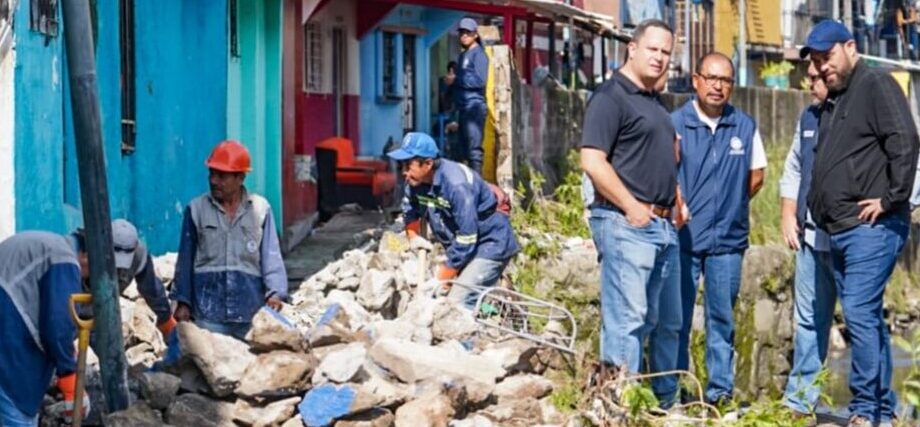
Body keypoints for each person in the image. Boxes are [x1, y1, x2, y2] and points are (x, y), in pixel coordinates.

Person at [802, 20, 919, 427]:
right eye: (816, 60)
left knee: (856, 309)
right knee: (866, 315)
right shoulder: (835, 99)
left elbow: (905, 142)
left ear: (850, 47)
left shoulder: (877, 85)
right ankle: (883, 410)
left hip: (873, 227)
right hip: (839, 228)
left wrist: (890, 199)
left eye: (827, 56)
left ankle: (866, 410)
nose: (822, 67)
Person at [579, 19, 683, 405]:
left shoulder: (652, 100)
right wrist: (632, 208)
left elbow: (655, 157)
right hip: (626, 224)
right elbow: (591, 160)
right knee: (627, 320)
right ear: (632, 49)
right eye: (653, 49)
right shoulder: (612, 96)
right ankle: (617, 406)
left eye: (666, 52)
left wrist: (675, 199)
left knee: (653, 320)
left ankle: (646, 402)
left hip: (660, 225)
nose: (659, 58)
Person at [663, 52, 767, 407]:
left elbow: (756, 177)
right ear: (696, 80)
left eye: (725, 80)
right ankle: (672, 391)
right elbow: (664, 175)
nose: (717, 86)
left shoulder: (745, 126)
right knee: (675, 318)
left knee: (721, 320)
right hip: (683, 239)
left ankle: (719, 393)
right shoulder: (674, 123)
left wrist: (729, 208)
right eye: (711, 78)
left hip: (728, 242)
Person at [387, 132, 519, 308]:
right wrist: (413, 238)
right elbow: (410, 210)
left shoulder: (457, 186)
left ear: (427, 164)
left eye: (408, 165)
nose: (404, 172)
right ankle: (494, 307)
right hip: (461, 246)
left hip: (489, 244)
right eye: (402, 165)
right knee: (450, 295)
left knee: (459, 301)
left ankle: (472, 330)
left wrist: (442, 277)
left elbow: (467, 239)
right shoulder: (415, 181)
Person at [173, 140, 288, 340]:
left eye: (222, 176)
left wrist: (276, 293)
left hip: (249, 311)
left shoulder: (260, 210)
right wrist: (183, 301)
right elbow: (185, 260)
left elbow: (271, 255)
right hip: (208, 314)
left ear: (240, 177)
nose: (214, 181)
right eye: (212, 174)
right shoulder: (196, 209)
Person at [779, 63, 839, 419]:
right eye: (810, 78)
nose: (811, 84)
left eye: (816, 78)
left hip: (853, 241)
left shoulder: (859, 113)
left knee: (863, 323)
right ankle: (800, 401)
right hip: (811, 239)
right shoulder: (809, 118)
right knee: (807, 322)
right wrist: (788, 213)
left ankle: (874, 406)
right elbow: (794, 167)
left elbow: (908, 158)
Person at [0, 231, 89, 426]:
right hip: (9, 349)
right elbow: (58, 324)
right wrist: (69, 372)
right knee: (16, 416)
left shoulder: (48, 246)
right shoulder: (65, 259)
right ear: (85, 256)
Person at [454, 17, 490, 174]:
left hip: (474, 106)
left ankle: (477, 186)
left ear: (475, 35)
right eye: (461, 33)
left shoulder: (479, 55)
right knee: (461, 150)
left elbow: (480, 80)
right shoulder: (463, 55)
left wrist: (458, 79)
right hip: (463, 107)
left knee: (474, 151)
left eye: (467, 33)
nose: (463, 36)